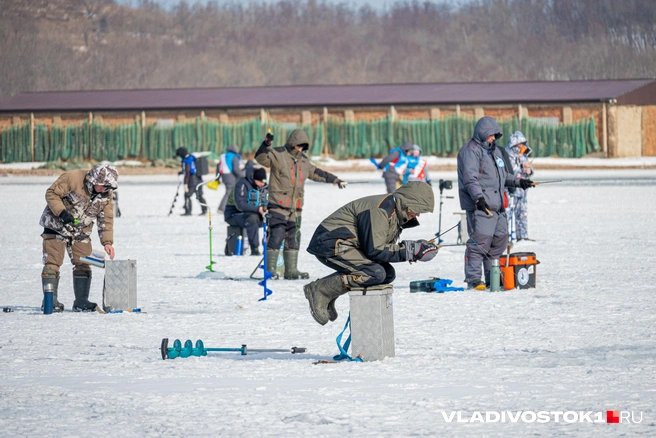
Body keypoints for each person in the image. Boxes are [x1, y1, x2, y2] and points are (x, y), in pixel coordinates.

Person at [304, 181, 438, 325]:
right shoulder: (380, 210)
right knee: (375, 273)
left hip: (347, 244)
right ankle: (321, 290)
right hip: (330, 243)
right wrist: (410, 251)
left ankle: (330, 292)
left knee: (387, 274)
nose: (418, 214)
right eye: (417, 209)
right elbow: (375, 250)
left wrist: (415, 248)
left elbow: (381, 246)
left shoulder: (393, 212)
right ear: (407, 201)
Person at [255, 129, 347, 280]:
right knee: (277, 234)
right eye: (298, 145)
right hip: (278, 203)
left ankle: (291, 271)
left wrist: (336, 180)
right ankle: (270, 270)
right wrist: (266, 144)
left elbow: (317, 173)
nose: (300, 148)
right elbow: (261, 158)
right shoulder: (277, 154)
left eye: (303, 146)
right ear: (292, 143)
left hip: (296, 207)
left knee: (294, 237)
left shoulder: (304, 161)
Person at [457, 116, 534, 290]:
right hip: (481, 205)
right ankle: (474, 280)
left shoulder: (495, 151)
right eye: (491, 135)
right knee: (480, 243)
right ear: (483, 133)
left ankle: (493, 278)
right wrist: (479, 198)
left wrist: (519, 181)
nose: (494, 138)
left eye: (495, 135)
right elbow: (470, 179)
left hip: (498, 205)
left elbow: (503, 175)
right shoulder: (470, 151)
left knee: (499, 241)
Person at [39, 164, 118, 312]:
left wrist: (107, 242)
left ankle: (81, 301)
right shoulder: (72, 178)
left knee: (83, 262)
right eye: (102, 186)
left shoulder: (107, 194)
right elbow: (51, 193)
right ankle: (50, 301)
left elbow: (106, 218)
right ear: (94, 180)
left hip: (81, 231)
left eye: (108, 187)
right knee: (53, 261)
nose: (104, 190)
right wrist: (62, 213)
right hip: (56, 226)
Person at [224, 167, 268, 256]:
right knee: (252, 219)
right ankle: (254, 248)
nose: (262, 184)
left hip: (255, 213)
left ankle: (269, 248)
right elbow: (240, 204)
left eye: (264, 182)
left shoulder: (263, 186)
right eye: (260, 182)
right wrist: (257, 209)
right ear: (254, 179)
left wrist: (266, 208)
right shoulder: (242, 184)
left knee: (275, 218)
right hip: (234, 214)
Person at [505, 131, 534, 241]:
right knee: (507, 214)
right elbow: (509, 171)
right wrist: (521, 165)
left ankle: (523, 236)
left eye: (523, 144)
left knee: (522, 214)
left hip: (522, 191)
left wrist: (528, 170)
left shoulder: (523, 155)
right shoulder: (508, 155)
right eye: (519, 144)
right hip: (510, 190)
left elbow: (529, 170)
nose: (522, 146)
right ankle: (504, 239)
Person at [176, 147, 208, 216]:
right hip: (199, 179)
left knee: (187, 195)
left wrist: (185, 184)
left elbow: (187, 172)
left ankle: (188, 211)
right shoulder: (192, 157)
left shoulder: (185, 161)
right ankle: (205, 210)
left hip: (191, 181)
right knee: (199, 195)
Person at [217, 145, 245, 213]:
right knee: (229, 192)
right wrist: (243, 175)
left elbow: (218, 167)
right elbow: (236, 169)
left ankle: (230, 207)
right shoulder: (234, 157)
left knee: (230, 192)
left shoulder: (223, 156)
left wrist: (217, 178)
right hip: (231, 176)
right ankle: (222, 208)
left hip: (224, 176)